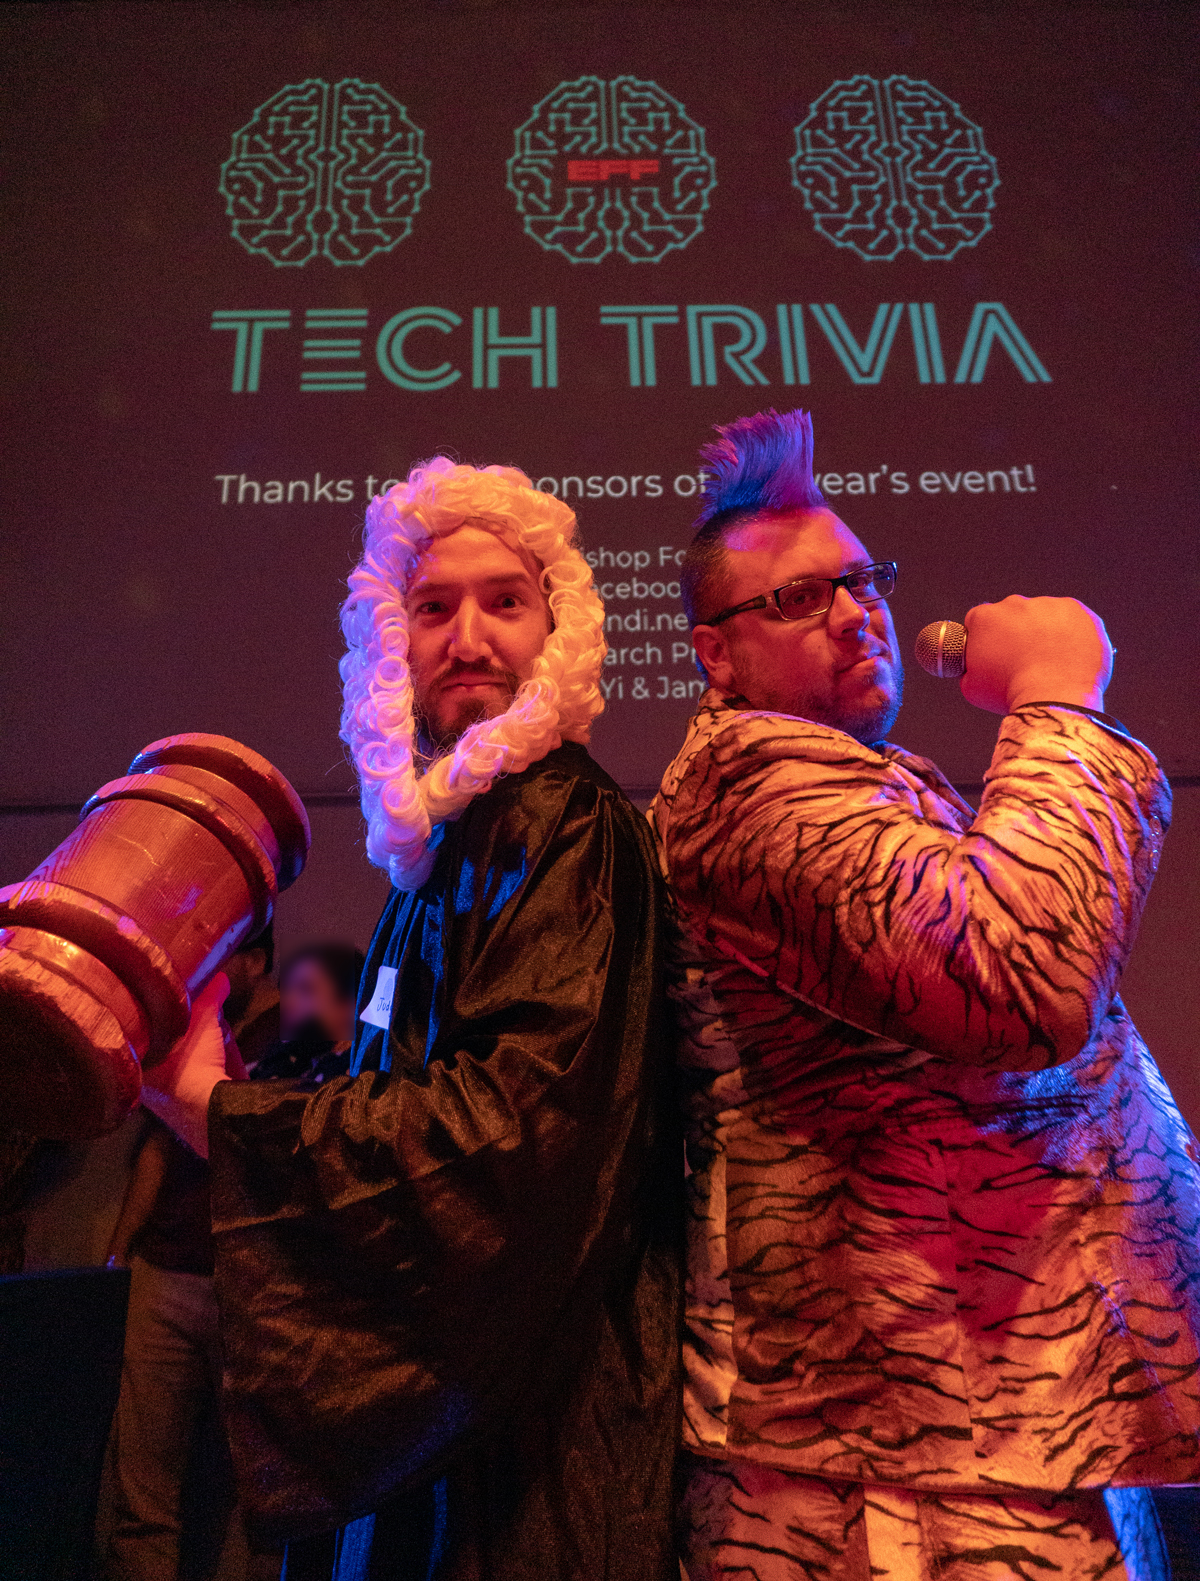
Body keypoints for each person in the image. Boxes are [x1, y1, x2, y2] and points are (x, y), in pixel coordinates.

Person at [649, 408, 1199, 1581]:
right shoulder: (746, 787)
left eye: (863, 580)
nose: (856, 612)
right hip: (892, 1466)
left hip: (997, 1430)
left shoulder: (862, 782)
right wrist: (1059, 702)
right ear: (714, 655)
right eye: (800, 598)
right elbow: (1015, 982)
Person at [140, 458, 682, 1581]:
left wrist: (223, 1116)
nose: (468, 638)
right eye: (433, 608)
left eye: (505, 601)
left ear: (559, 632)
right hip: (452, 1430)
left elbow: (510, 1136)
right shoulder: (448, 849)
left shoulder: (563, 827)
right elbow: (410, 1093)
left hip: (529, 1454)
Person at [103, 926, 274, 1581]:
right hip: (166, 1269)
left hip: (245, 1288)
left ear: (253, 961)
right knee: (143, 1491)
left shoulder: (288, 1042)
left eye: (225, 956)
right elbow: (155, 1149)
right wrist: (120, 1251)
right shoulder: (191, 1033)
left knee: (247, 1497)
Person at [248, 942, 365, 1084]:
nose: (288, 1002)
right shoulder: (276, 1059)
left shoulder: (360, 1073)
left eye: (306, 989)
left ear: (349, 1005)